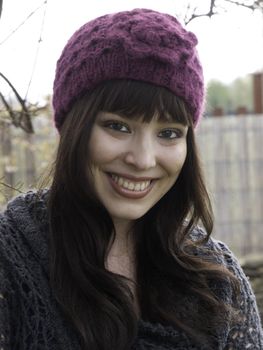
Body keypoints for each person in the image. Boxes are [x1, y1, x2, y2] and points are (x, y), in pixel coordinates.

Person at [0, 8, 262, 350]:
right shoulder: (9, 262)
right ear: (73, 127)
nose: (142, 159)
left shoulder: (219, 278)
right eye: (118, 126)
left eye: (168, 133)